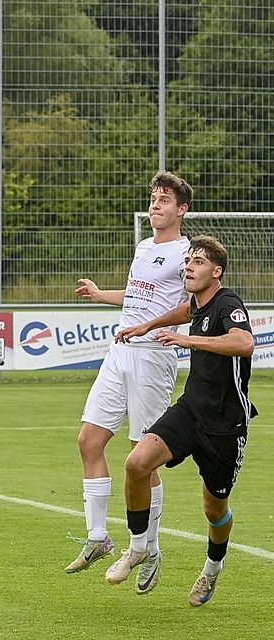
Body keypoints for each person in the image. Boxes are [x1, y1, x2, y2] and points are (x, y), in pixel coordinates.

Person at [107, 235, 256, 606]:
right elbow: (184, 312)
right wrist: (146, 326)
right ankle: (139, 547)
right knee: (137, 462)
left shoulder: (228, 304)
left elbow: (244, 343)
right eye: (188, 261)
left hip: (225, 426)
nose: (189, 266)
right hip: (190, 411)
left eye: (199, 262)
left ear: (216, 271)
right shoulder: (197, 303)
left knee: (214, 509)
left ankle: (212, 568)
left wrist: (189, 342)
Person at [64, 171, 192, 596]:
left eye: (164, 200)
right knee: (89, 441)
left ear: (181, 209)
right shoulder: (143, 246)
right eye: (153, 199)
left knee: (144, 458)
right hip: (119, 352)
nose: (156, 205)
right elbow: (138, 295)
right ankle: (99, 537)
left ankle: (149, 547)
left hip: (153, 358)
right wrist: (102, 295)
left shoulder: (186, 253)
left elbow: (191, 308)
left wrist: (148, 327)